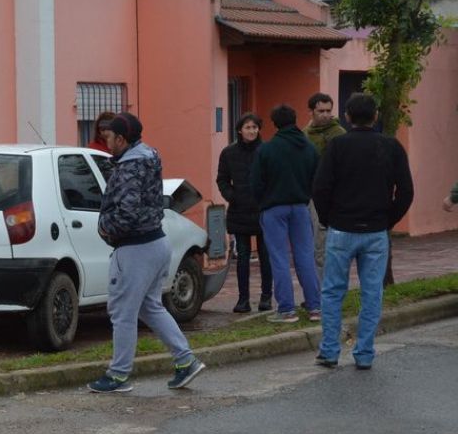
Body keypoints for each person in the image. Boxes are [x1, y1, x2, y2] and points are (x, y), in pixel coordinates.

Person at [87, 112, 206, 394]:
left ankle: (118, 375)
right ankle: (185, 360)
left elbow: (126, 212)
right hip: (156, 242)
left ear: (122, 139)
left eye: (110, 138)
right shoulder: (148, 157)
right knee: (150, 306)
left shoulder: (129, 168)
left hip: (135, 248)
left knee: (122, 312)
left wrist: (105, 228)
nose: (107, 143)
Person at [312, 93, 414, 370]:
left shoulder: (337, 146)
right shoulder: (391, 147)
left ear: (347, 116)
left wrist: (328, 218)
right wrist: (388, 220)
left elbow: (320, 188)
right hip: (375, 231)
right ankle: (365, 353)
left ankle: (330, 351)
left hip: (341, 229)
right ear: (376, 116)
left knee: (332, 292)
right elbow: (406, 192)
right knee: (372, 293)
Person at [251, 104, 321, 323]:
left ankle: (287, 309)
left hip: (273, 208)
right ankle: (315, 307)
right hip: (301, 207)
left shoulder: (267, 149)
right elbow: (316, 178)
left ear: (274, 123)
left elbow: (255, 183)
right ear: (295, 119)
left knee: (279, 258)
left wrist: (262, 202)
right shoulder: (309, 148)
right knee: (305, 257)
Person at [215, 113, 272, 313]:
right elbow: (221, 179)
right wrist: (233, 196)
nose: (252, 131)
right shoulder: (229, 153)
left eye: (255, 127)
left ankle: (266, 297)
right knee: (243, 257)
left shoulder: (266, 150)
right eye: (248, 127)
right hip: (239, 211)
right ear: (240, 130)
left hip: (263, 210)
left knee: (266, 256)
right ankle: (243, 299)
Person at [304, 92, 346, 275]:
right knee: (312, 244)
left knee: (323, 244)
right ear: (311, 112)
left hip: (332, 194)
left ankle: (324, 291)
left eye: (329, 110)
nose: (326, 115)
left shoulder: (338, 134)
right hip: (308, 194)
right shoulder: (305, 134)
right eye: (321, 111)